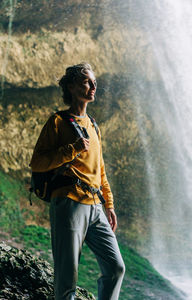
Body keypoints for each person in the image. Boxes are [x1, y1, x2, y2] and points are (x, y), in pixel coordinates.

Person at [30, 63, 125, 300]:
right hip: (69, 203)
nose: (93, 86)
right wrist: (71, 150)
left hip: (95, 205)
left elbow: (100, 169)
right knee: (67, 278)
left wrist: (109, 205)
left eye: (94, 82)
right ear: (71, 87)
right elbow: (37, 163)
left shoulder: (93, 125)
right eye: (86, 82)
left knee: (116, 268)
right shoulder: (57, 122)